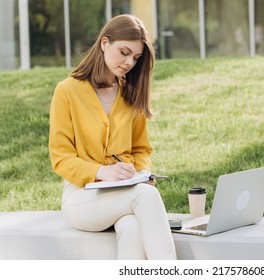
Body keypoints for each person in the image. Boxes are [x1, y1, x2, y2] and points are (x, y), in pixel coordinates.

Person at [49, 14, 177, 260]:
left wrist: (141, 174)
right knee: (146, 196)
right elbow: (61, 158)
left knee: (132, 229)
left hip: (124, 194)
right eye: (124, 52)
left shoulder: (130, 93)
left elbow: (141, 149)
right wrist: (101, 171)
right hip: (82, 197)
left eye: (136, 57)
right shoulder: (67, 91)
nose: (129, 62)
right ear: (104, 43)